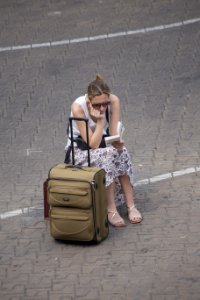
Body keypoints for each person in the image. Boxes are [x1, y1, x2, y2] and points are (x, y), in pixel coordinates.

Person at [65, 74, 142, 227]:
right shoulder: (78, 107)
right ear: (88, 100)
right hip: (79, 151)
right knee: (109, 155)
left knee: (121, 151)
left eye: (105, 104)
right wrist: (100, 120)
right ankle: (111, 210)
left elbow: (113, 135)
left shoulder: (113, 101)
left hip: (102, 145)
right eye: (97, 105)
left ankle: (131, 206)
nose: (102, 108)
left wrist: (118, 143)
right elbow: (92, 144)